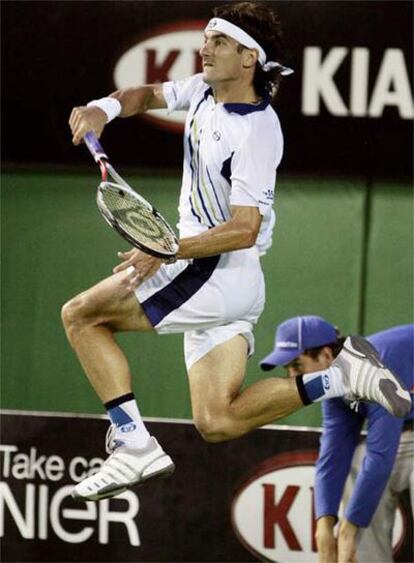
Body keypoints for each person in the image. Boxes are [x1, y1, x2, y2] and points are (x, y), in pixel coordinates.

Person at [63, 1, 411, 503]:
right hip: (227, 279)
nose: (205, 48)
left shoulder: (257, 130)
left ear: (250, 58)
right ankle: (340, 376)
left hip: (212, 271)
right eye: (206, 38)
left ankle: (133, 440)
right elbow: (144, 94)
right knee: (218, 420)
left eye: (218, 41)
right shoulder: (204, 91)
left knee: (81, 317)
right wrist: (106, 107)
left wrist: (166, 248)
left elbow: (245, 227)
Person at [260, 317, 414, 563]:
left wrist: (347, 528)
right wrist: (324, 526)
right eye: (287, 369)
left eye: (297, 366)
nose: (292, 378)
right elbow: (333, 457)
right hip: (405, 432)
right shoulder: (333, 383)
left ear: (325, 355)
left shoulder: (374, 368)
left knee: (366, 487)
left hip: (401, 433)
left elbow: (381, 457)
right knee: (356, 467)